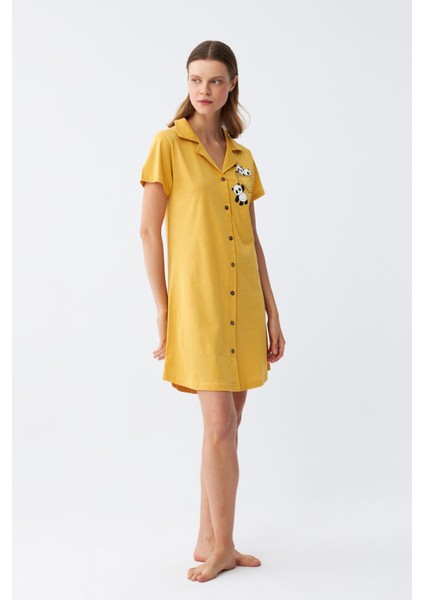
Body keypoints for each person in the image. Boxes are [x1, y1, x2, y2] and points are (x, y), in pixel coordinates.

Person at [139, 40, 286, 583]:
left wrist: (272, 312)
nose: (204, 90)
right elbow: (148, 231)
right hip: (198, 307)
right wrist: (164, 309)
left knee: (229, 426)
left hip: (243, 306)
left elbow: (252, 239)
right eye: (196, 79)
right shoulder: (168, 145)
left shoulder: (243, 159)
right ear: (187, 84)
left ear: (231, 86)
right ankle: (223, 546)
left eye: (215, 81)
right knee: (220, 424)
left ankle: (209, 538)